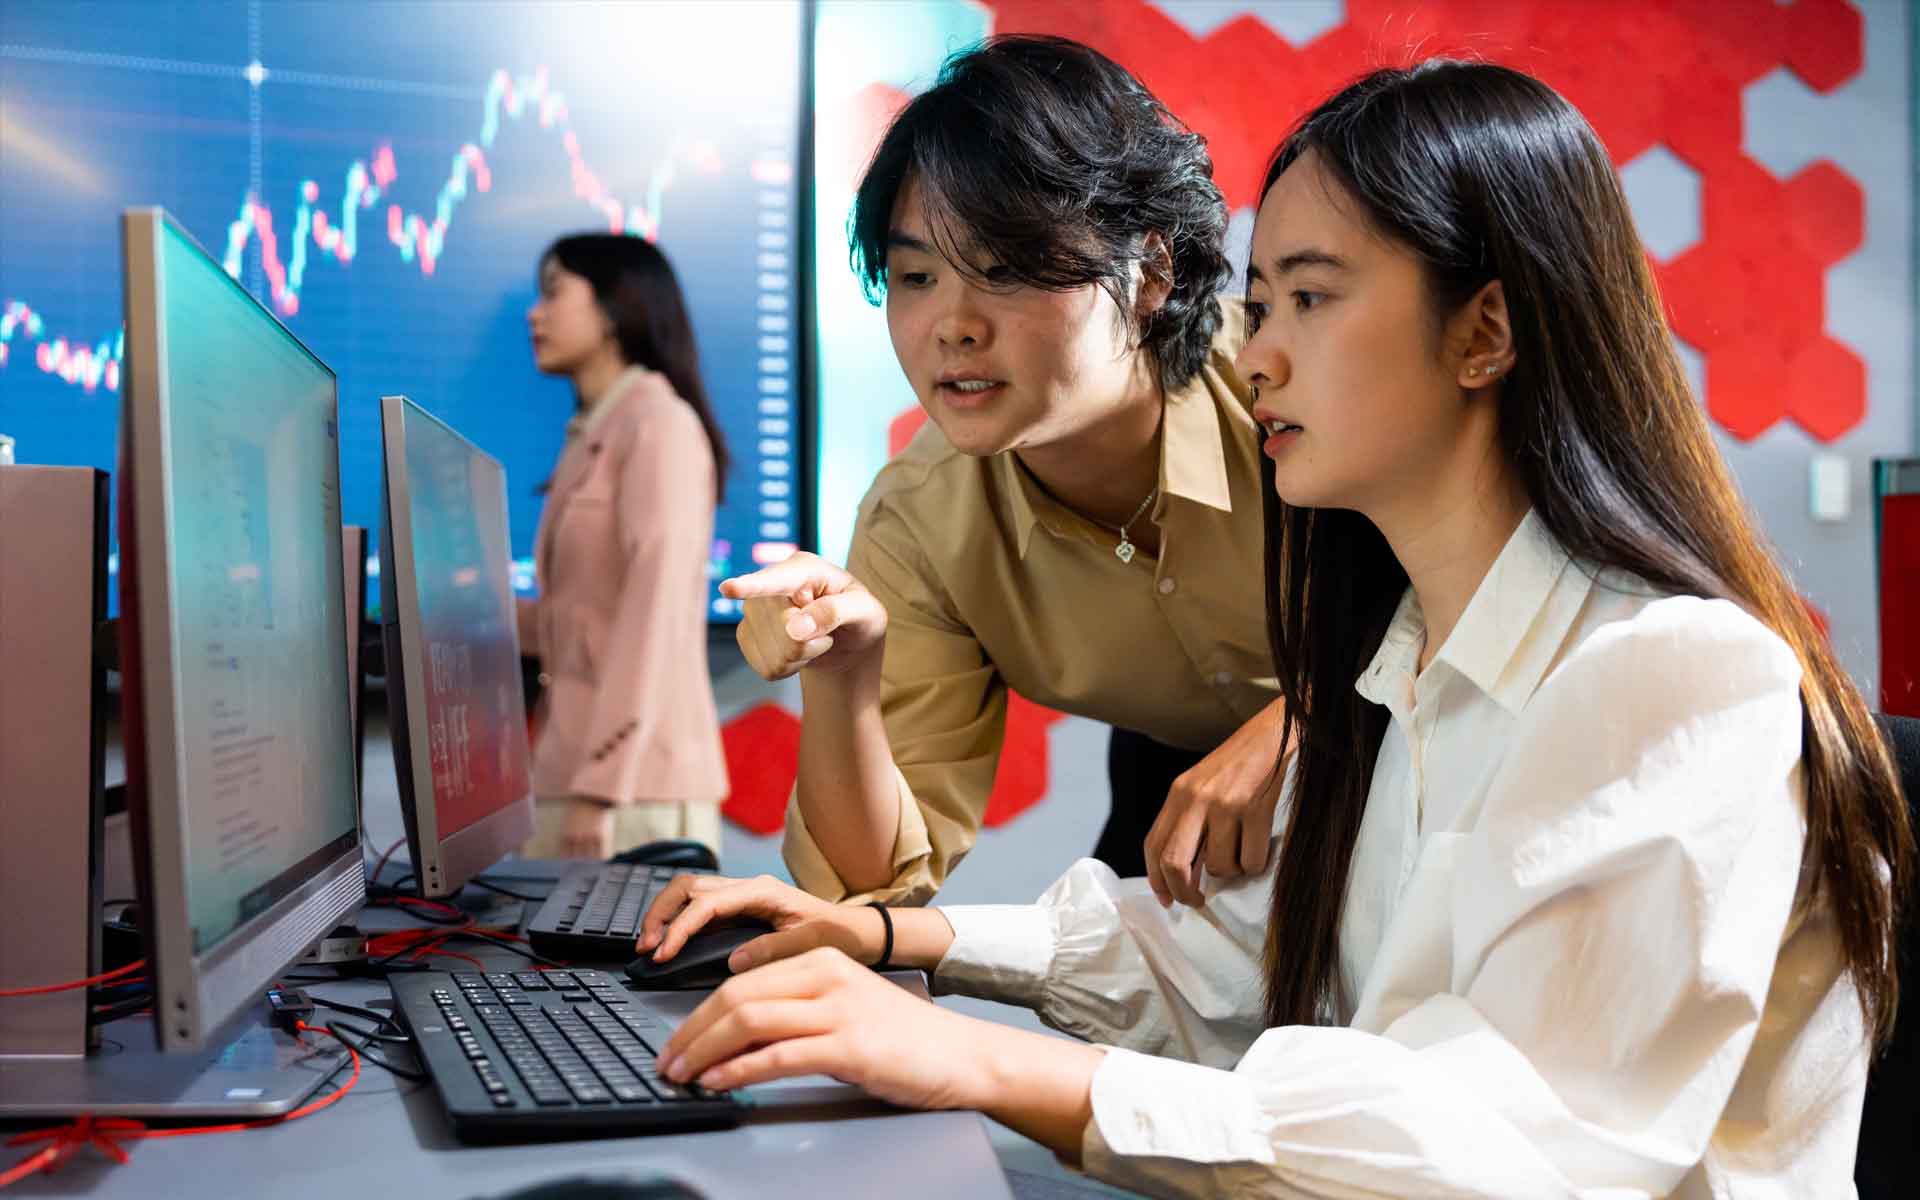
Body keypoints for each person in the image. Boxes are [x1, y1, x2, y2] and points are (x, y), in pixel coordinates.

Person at [631, 61, 1914, 1197]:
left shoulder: (1664, 676)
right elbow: (1232, 956)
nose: (1259, 360)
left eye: (1306, 301)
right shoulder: (1411, 653)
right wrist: (898, 939)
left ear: (1486, 332)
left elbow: (1501, 1146)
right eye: (1259, 309)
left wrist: (985, 1062)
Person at [724, 35, 1285, 908]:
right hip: (1177, 787)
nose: (952, 325)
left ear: (1150, 272)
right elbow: (868, 888)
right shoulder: (920, 519)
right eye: (916, 275)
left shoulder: (1282, 381)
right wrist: (844, 683)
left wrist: (1303, 728)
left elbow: (1502, 583)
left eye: (1007, 268)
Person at [515, 233, 730, 859]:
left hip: (628, 796)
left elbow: (655, 612)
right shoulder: (595, 432)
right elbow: (582, 621)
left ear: (614, 308)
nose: (536, 312)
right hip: (573, 775)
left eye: (554, 292)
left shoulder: (658, 424)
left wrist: (602, 790)